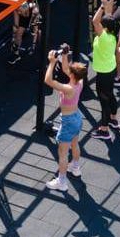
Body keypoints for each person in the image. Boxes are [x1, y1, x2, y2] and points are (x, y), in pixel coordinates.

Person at [43, 48, 88, 191]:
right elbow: (65, 68)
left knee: (62, 153)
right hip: (77, 117)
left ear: (73, 75)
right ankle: (75, 167)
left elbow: (48, 80)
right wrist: (64, 55)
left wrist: (52, 62)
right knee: (75, 144)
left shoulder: (69, 88)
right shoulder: (79, 82)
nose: (69, 70)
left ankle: (61, 182)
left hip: (68, 122)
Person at [89, 13, 120, 141]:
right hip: (110, 69)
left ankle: (104, 130)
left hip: (104, 73)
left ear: (105, 27)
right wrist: (107, 5)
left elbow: (95, 21)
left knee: (104, 101)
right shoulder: (112, 35)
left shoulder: (104, 37)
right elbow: (103, 20)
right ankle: (113, 119)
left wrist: (102, 6)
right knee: (110, 94)